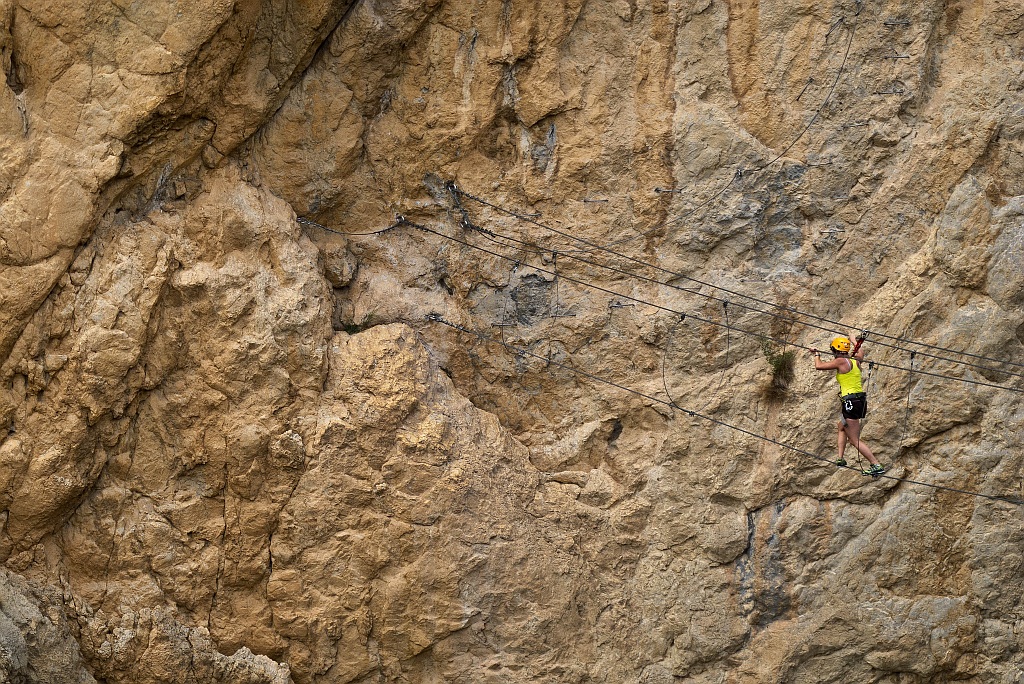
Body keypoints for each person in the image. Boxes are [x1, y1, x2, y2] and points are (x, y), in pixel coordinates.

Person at [812, 335, 885, 476]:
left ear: (835, 349)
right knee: (841, 426)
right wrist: (853, 339)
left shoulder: (840, 361)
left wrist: (817, 354)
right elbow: (860, 350)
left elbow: (819, 366)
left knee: (854, 440)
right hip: (860, 401)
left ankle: (875, 464)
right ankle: (840, 458)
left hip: (851, 402)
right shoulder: (856, 360)